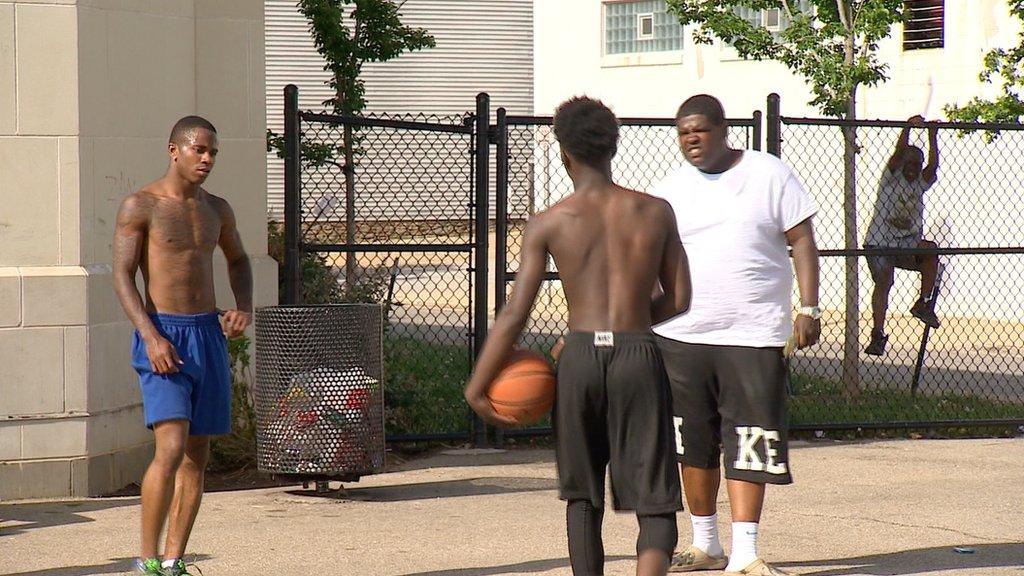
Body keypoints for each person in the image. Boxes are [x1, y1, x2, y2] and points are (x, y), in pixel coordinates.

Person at [465, 96, 691, 576]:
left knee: (582, 495)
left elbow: (514, 314)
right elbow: (680, 298)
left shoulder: (548, 222)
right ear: (614, 146)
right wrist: (628, 330)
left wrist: (477, 383)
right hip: (638, 354)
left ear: (563, 151)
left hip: (581, 355)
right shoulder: (655, 211)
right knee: (655, 500)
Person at [649, 95, 820, 576]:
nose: (691, 139)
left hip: (755, 335)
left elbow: (802, 239)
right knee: (693, 441)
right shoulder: (667, 191)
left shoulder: (769, 173)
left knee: (750, 439)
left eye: (700, 129)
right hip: (682, 335)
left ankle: (745, 552)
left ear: (725, 129)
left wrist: (808, 307)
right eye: (683, 132)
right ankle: (705, 544)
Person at [113, 116, 253, 576]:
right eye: (199, 150)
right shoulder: (141, 205)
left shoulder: (217, 209)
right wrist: (150, 336)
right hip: (164, 335)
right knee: (169, 450)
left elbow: (238, 259)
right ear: (174, 150)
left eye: (213, 152)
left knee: (197, 455)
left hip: (207, 335)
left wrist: (242, 307)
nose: (207, 159)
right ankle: (146, 559)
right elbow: (122, 276)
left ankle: (173, 560)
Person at [864, 115, 941, 356]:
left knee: (931, 251)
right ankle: (877, 334)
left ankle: (923, 302)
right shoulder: (890, 180)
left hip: (906, 244)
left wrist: (932, 136)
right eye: (908, 164)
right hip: (879, 241)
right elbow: (898, 154)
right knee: (885, 281)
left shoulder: (918, 184)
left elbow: (933, 166)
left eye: (915, 165)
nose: (911, 169)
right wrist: (907, 127)